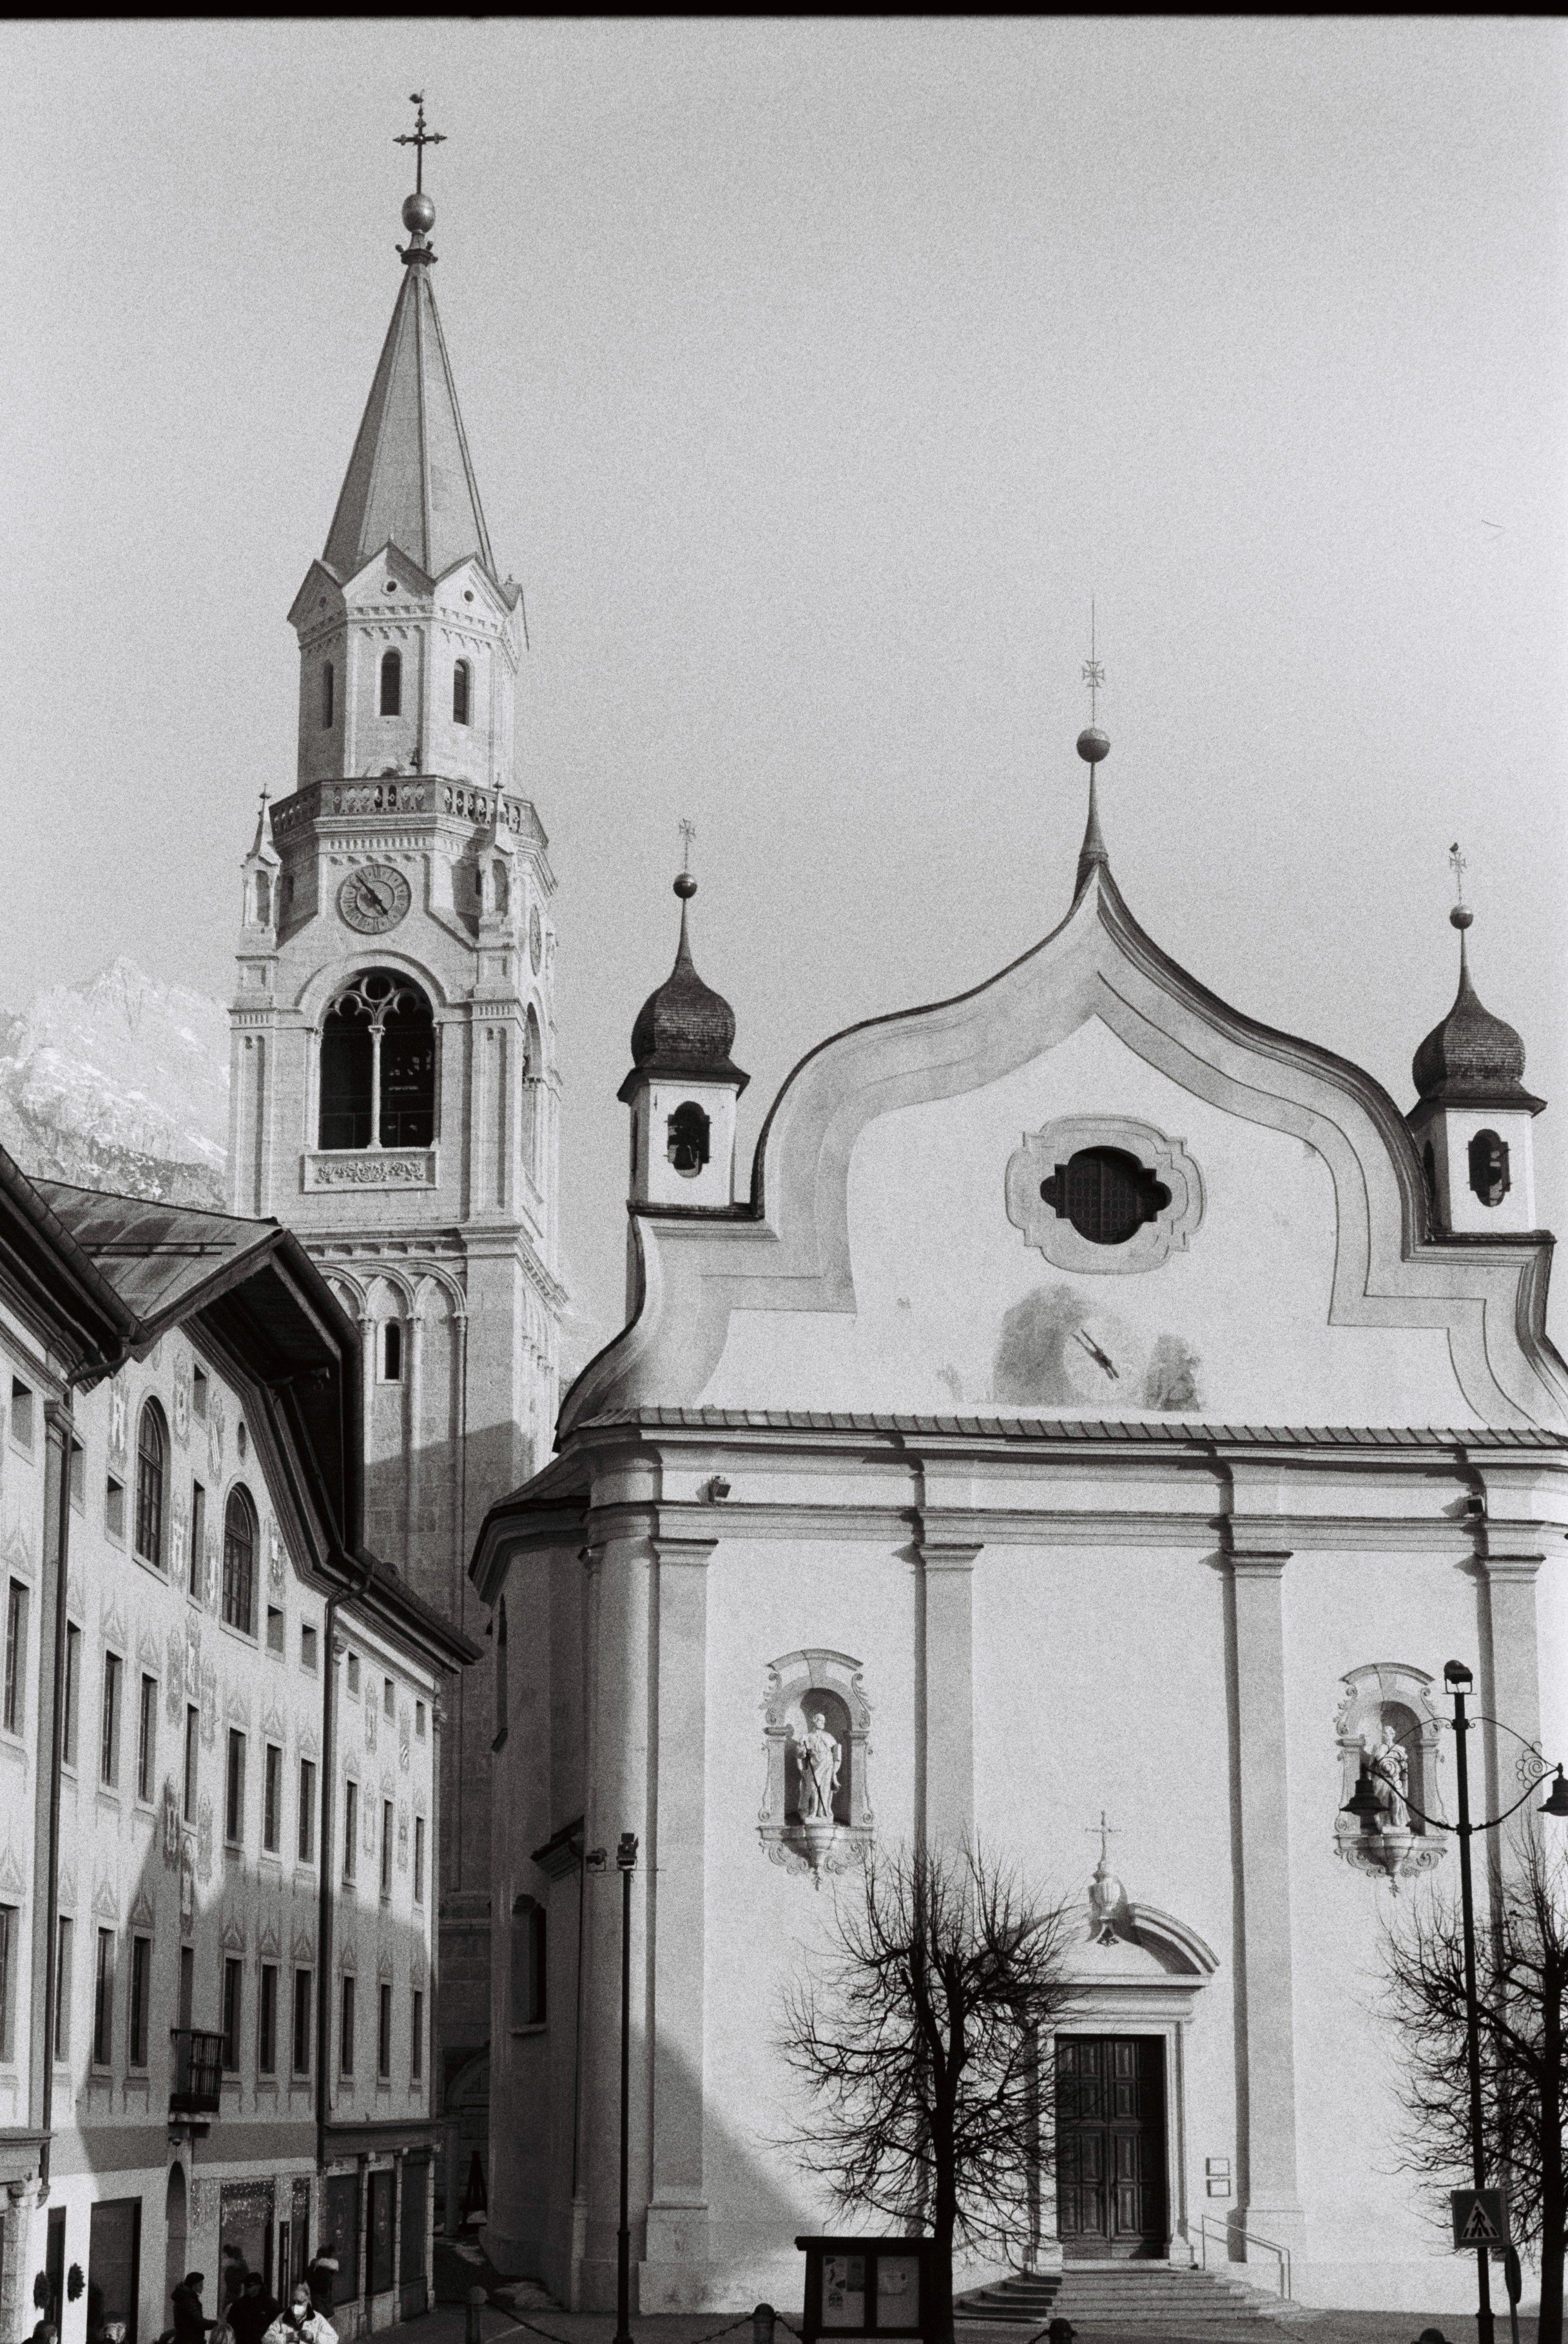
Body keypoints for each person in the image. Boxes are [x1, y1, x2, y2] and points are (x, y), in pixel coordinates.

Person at [261, 2283, 334, 2344]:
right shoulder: (282, 2318)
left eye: (299, 2302)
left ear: (307, 2301)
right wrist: (286, 2338)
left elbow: (333, 2339)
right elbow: (265, 2340)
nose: (296, 2306)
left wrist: (313, 2337)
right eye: (293, 2302)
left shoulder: (317, 2319)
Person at [226, 2276, 276, 2344]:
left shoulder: (270, 2304)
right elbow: (230, 2323)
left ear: (258, 2286)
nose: (246, 2288)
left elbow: (277, 2325)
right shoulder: (239, 2304)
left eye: (249, 2285)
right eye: (245, 2285)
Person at [171, 2275, 214, 2344]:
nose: (203, 2288)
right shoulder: (188, 2300)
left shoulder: (184, 2297)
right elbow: (199, 2322)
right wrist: (217, 2323)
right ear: (194, 2286)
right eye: (200, 2285)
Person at [302, 2253, 338, 2327]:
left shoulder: (317, 2269)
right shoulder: (329, 2270)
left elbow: (310, 2280)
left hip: (319, 2304)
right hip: (325, 2307)